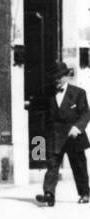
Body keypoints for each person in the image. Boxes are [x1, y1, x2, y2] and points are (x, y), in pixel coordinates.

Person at [37, 61, 90, 206]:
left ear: (67, 76)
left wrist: (78, 127)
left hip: (74, 136)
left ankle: (85, 193)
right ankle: (49, 194)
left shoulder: (78, 93)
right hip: (55, 136)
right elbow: (43, 114)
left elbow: (86, 114)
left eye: (60, 77)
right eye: (54, 78)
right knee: (52, 165)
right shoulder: (48, 93)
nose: (57, 81)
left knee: (79, 166)